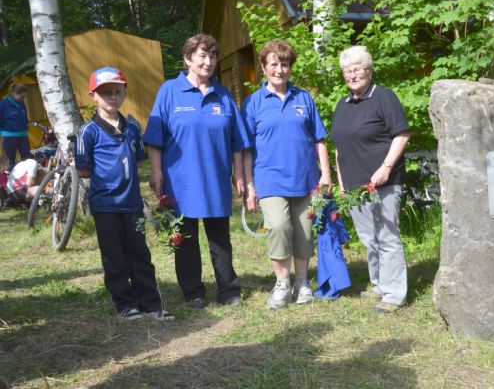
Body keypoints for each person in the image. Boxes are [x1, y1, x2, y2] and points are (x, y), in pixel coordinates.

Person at [143, 34, 249, 310]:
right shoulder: (169, 91)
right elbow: (155, 137)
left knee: (220, 238)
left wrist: (239, 174)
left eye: (212, 56)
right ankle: (193, 292)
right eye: (202, 55)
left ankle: (228, 290)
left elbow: (237, 141)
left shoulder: (223, 94)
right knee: (185, 238)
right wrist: (156, 172)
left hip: (216, 179)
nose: (208, 61)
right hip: (180, 182)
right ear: (188, 59)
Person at [75, 67, 173, 321]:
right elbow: (83, 170)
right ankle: (125, 304)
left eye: (117, 91)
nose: (112, 97)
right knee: (115, 256)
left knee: (140, 253)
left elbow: (138, 159)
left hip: (132, 204)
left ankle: (150, 303)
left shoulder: (131, 127)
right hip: (105, 206)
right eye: (105, 92)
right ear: (93, 96)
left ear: (124, 92)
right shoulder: (89, 132)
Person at [241, 39, 332, 310]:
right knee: (279, 227)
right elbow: (245, 148)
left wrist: (325, 174)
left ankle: (302, 282)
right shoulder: (252, 103)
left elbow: (319, 139)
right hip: (269, 179)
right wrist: (248, 185)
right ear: (263, 67)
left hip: (305, 178)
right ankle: (282, 282)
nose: (279, 69)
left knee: (304, 233)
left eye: (284, 64)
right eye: (274, 64)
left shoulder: (303, 98)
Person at [331, 45, 411, 314]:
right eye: (347, 71)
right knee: (369, 238)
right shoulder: (342, 105)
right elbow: (339, 148)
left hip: (383, 183)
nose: (352, 75)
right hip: (354, 186)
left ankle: (394, 294)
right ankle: (378, 283)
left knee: (387, 237)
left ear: (368, 70)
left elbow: (401, 135)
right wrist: (342, 183)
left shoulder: (383, 97)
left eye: (357, 69)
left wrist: (386, 167)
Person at [0, 84, 32, 169]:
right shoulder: (3, 104)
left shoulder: (22, 104)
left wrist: (26, 127)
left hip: (23, 136)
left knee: (28, 160)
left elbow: (24, 117)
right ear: (14, 93)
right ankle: (9, 181)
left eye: (24, 97)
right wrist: (1, 135)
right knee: (10, 162)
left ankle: (26, 180)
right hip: (9, 137)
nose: (23, 99)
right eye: (22, 96)